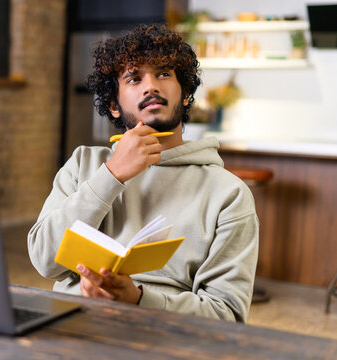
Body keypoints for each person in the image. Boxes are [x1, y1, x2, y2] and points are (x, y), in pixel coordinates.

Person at [27, 24, 258, 322]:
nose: (151, 86)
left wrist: (137, 299)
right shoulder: (83, 164)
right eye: (134, 78)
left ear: (185, 94)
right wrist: (111, 176)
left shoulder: (228, 193)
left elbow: (227, 315)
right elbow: (46, 263)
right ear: (113, 105)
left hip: (162, 334)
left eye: (163, 74)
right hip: (75, 324)